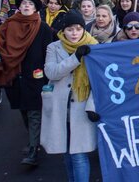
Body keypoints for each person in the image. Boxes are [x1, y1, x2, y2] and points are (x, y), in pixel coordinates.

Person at [0, 0, 53, 166]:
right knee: (23, 110)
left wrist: (47, 75)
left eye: (30, 4)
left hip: (35, 77)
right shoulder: (8, 25)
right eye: (23, 3)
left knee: (34, 112)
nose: (26, 6)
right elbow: (0, 45)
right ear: (19, 7)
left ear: (35, 8)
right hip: (14, 74)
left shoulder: (42, 27)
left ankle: (33, 150)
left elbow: (47, 52)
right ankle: (33, 139)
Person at [42, 11, 98, 181]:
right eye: (70, 29)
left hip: (81, 106)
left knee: (78, 154)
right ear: (63, 30)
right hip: (60, 107)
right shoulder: (54, 47)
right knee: (65, 152)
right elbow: (51, 72)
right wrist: (76, 57)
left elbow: (98, 82)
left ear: (83, 29)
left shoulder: (94, 46)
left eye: (78, 29)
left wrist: (93, 106)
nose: (74, 33)